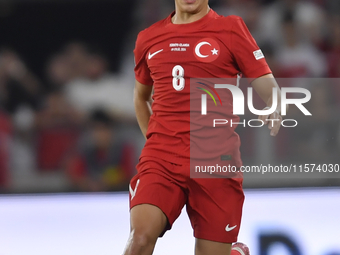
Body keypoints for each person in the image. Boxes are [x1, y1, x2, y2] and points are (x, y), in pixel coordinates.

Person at [123, 0, 283, 254]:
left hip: (215, 161)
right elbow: (141, 97)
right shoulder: (148, 38)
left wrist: (273, 104)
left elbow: (266, 83)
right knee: (140, 238)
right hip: (162, 159)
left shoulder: (230, 29)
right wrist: (155, 142)